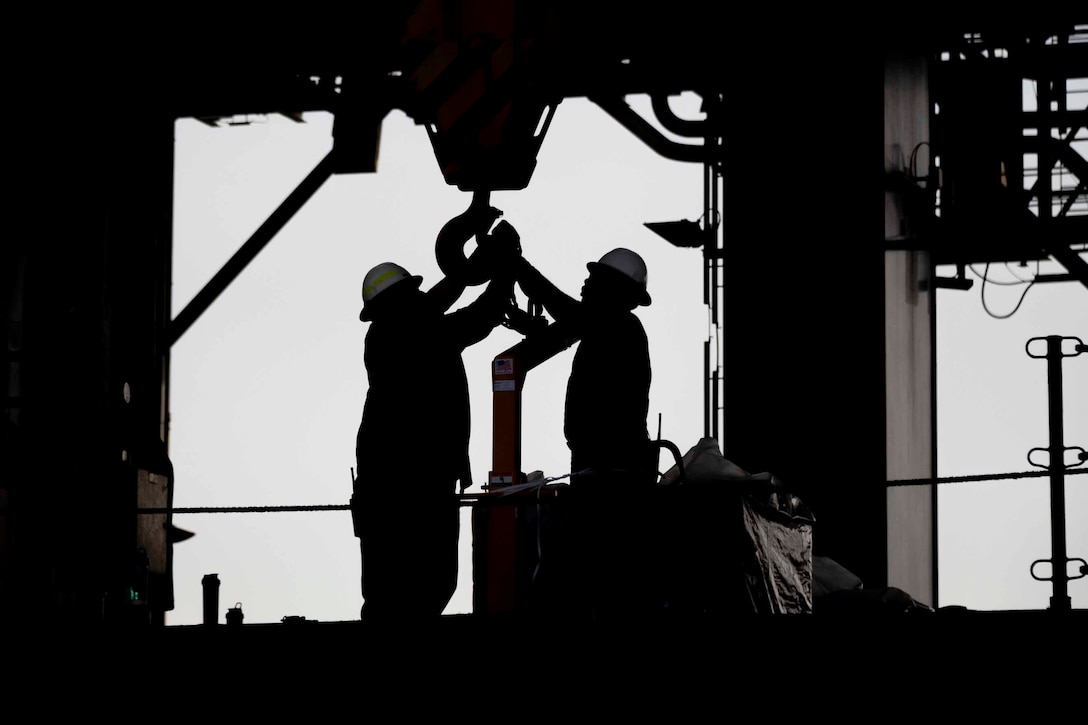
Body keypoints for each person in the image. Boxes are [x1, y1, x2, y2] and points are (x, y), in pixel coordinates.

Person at [352, 215, 520, 622]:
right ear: (402, 302)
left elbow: (437, 302)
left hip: (389, 488)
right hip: (417, 486)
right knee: (428, 583)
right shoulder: (419, 337)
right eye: (414, 293)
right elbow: (480, 316)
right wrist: (507, 264)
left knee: (390, 591)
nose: (422, 296)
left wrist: (477, 262)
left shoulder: (391, 335)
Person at [511, 245, 658, 619]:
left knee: (600, 574)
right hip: (601, 470)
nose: (585, 281)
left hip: (612, 477)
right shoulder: (609, 329)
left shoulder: (619, 326)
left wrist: (516, 266)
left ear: (612, 288)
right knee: (594, 574)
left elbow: (571, 314)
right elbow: (573, 321)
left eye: (594, 278)